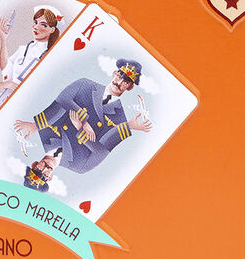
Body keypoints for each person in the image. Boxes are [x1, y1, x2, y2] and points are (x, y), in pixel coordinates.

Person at [13, 58, 151, 175]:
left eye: (125, 82)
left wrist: (81, 126)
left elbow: (102, 151)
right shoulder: (79, 166)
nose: (119, 83)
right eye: (119, 77)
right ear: (114, 73)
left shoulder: (45, 131)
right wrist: (84, 124)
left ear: (129, 87)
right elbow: (63, 101)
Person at [0, 6, 62, 117]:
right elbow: (6, 69)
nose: (36, 27)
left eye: (43, 25)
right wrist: (3, 40)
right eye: (35, 22)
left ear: (52, 30)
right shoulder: (24, 49)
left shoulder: (51, 57)